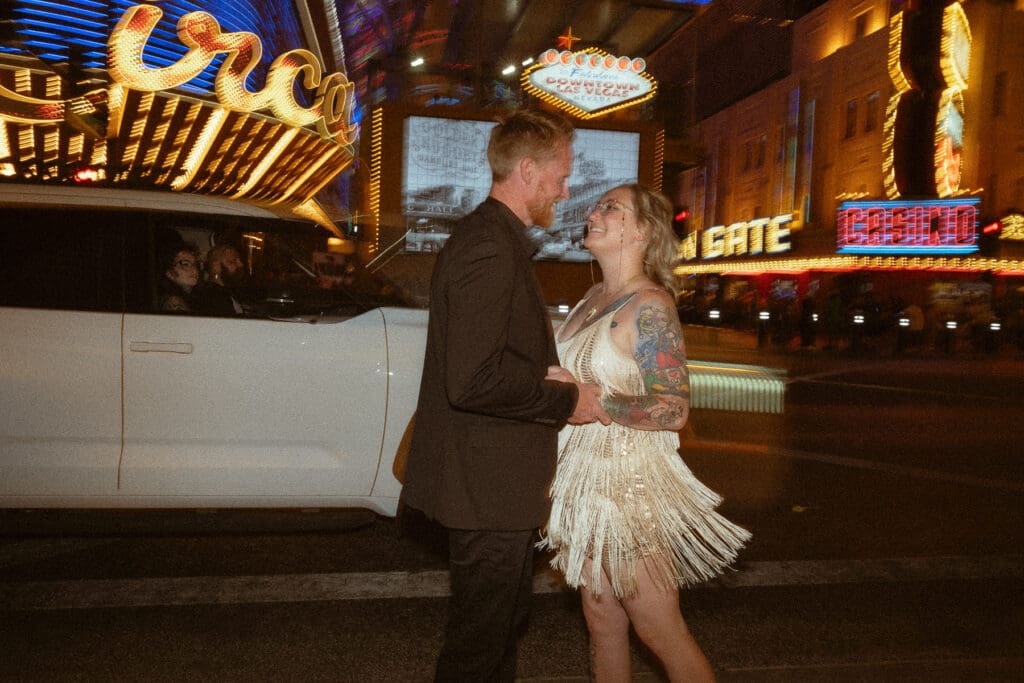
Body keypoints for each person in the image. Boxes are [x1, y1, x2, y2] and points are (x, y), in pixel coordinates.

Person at [399, 108, 610, 683]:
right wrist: (568, 402)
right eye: (560, 176)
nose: (566, 191)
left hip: (493, 485)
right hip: (484, 487)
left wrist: (549, 374)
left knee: (496, 632)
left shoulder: (495, 239)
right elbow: (472, 381)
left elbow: (492, 359)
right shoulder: (489, 246)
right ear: (526, 170)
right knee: (478, 645)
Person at [541, 184, 750, 682]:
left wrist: (594, 400)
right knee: (601, 623)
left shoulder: (649, 306)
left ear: (642, 232)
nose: (595, 213)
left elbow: (673, 407)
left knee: (659, 629)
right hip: (583, 486)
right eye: (596, 206)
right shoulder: (592, 298)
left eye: (611, 207)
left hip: (629, 487)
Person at [193, 243, 246, 315]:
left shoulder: (227, 292)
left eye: (239, 260)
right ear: (215, 267)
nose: (240, 264)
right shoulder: (213, 296)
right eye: (233, 261)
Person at [158, 243, 201, 312]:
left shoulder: (196, 299)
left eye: (195, 264)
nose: (194, 269)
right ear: (169, 273)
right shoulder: (174, 303)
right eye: (185, 264)